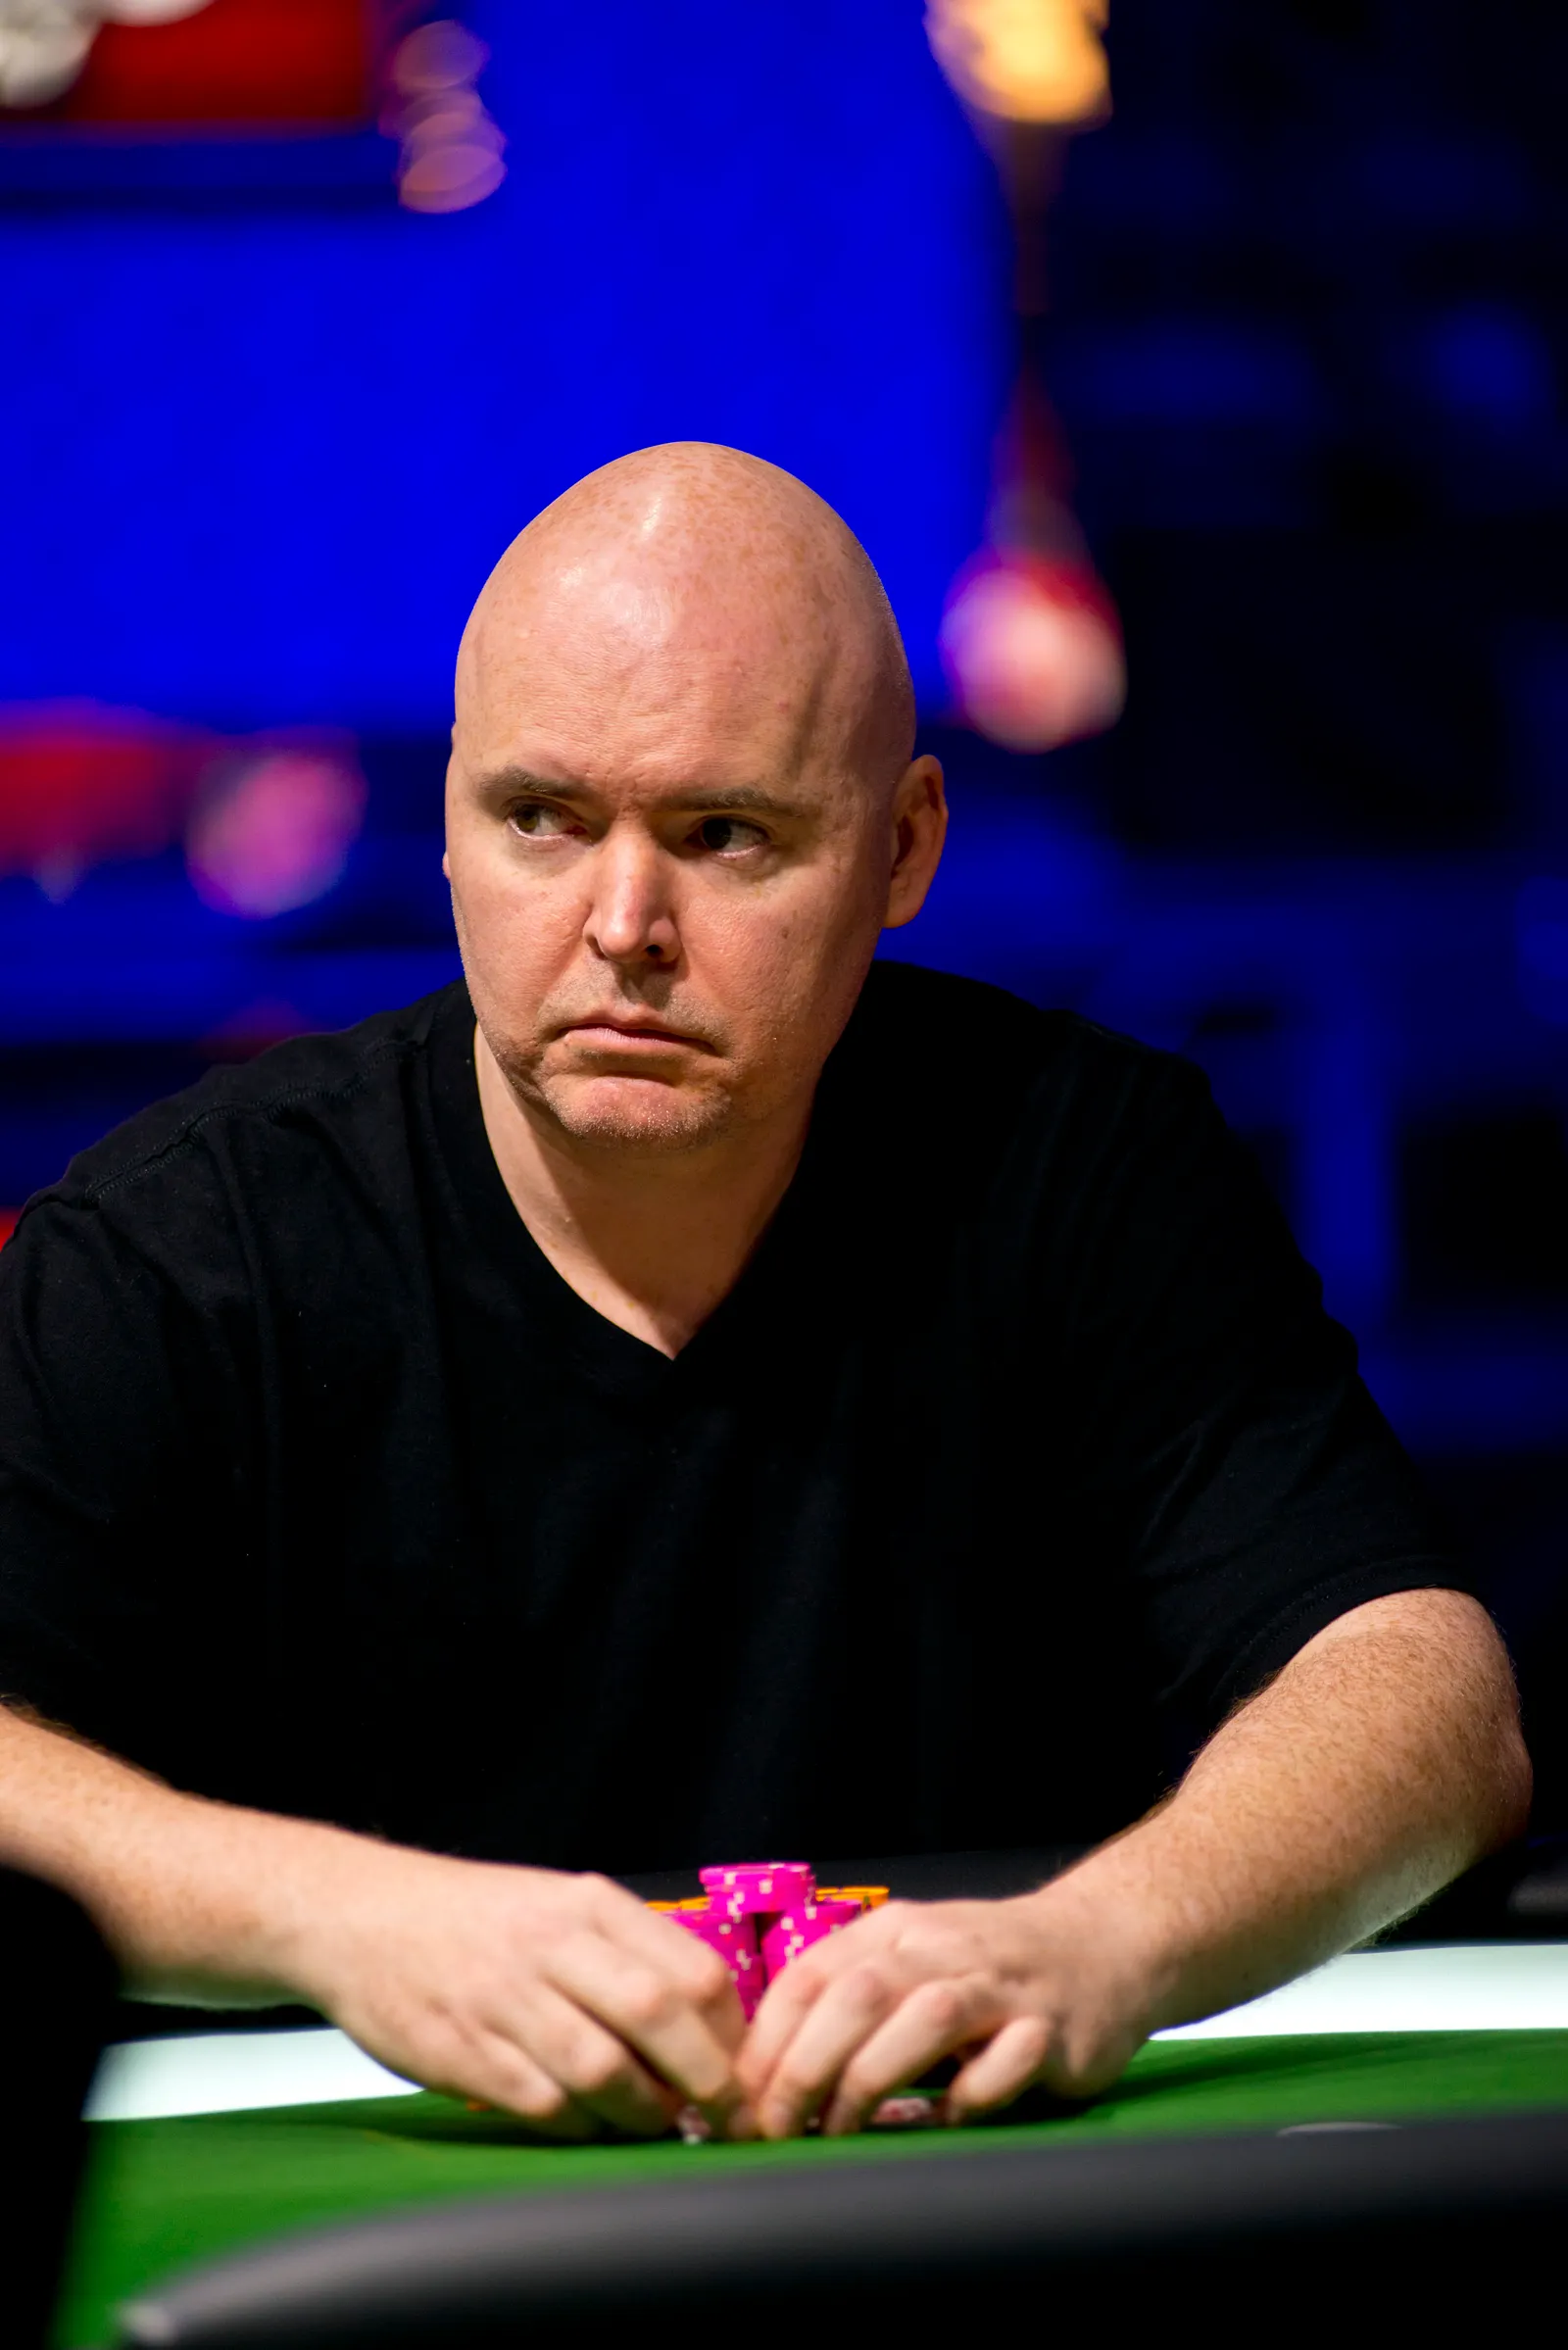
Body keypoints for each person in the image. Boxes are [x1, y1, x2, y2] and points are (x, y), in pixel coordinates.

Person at [0, 445, 1529, 2146]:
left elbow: (1428, 1694)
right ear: (446, 823)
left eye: (724, 834)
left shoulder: (1088, 1172)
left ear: (904, 846)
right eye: (540, 819)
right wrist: (337, 1919)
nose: (622, 924)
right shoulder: (178, 1248)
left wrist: (1105, 1939)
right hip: (345, 2224)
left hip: (980, 2190)